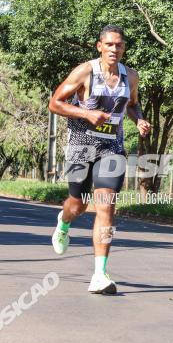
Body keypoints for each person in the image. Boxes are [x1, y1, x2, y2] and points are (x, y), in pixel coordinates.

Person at [48, 25, 150, 295]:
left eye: (119, 45)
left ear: (123, 48)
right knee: (78, 204)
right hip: (81, 147)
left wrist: (138, 119)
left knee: (105, 204)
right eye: (109, 45)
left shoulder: (131, 76)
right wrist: (86, 115)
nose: (114, 49)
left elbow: (131, 104)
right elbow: (55, 103)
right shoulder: (85, 72)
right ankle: (64, 222)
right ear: (99, 47)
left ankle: (100, 274)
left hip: (112, 148)